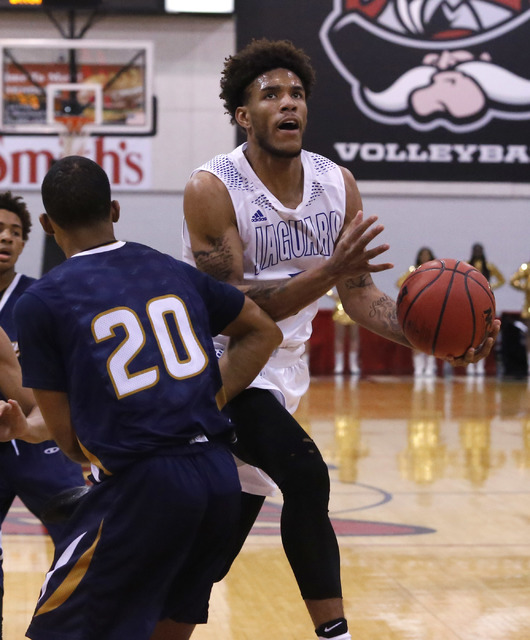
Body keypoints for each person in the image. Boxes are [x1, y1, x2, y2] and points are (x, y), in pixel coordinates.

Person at [179, 38, 500, 640]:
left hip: (286, 375)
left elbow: (361, 296)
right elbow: (233, 314)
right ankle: (336, 635)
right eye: (270, 94)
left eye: (295, 93)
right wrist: (324, 272)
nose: (287, 103)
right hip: (223, 371)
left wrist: (437, 337)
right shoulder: (212, 187)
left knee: (206, 560)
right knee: (307, 475)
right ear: (244, 116)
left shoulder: (336, 184)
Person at [2, 155, 282, 640]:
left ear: (46, 226)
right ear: (114, 210)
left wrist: (32, 431)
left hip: (143, 488)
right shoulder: (173, 271)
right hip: (219, 479)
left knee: (54, 632)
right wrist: (203, 403)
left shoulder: (41, 303)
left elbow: (70, 443)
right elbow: (262, 331)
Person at [0, 191, 86, 639]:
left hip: (41, 443)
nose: (6, 238)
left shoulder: (42, 297)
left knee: (82, 537)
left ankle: (64, 629)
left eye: (16, 232)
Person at [396, 247, 438, 377]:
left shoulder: (437, 270)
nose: (425, 257)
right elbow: (399, 283)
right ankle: (419, 367)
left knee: (431, 336)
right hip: (416, 307)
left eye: (427, 254)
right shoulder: (413, 270)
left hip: (432, 307)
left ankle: (431, 365)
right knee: (416, 337)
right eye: (423, 254)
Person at [466, 243, 505, 376]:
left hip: (485, 301)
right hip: (469, 301)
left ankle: (480, 363)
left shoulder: (489, 266)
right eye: (475, 250)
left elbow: (502, 280)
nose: (477, 252)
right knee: (469, 331)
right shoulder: (466, 265)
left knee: (483, 331)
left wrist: (488, 286)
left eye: (479, 250)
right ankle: (470, 362)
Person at [326, 288, 359, 375]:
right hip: (340, 309)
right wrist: (333, 295)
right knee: (339, 338)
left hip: (353, 307)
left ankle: (353, 365)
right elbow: (327, 287)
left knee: (354, 337)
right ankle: (339, 364)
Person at [509, 259, 530, 374]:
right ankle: (529, 363)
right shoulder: (526, 267)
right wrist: (526, 287)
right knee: (529, 334)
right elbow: (513, 280)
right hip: (529, 306)